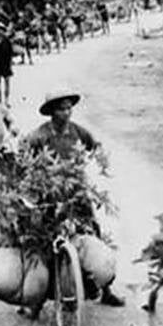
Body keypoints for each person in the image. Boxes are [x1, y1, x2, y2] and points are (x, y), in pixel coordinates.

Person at [24, 89, 125, 308]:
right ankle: (37, 300)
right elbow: (24, 159)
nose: (67, 112)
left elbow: (95, 146)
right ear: (52, 112)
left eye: (69, 107)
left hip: (75, 193)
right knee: (43, 241)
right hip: (49, 195)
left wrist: (97, 159)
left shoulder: (77, 133)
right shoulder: (39, 136)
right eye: (61, 109)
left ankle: (106, 289)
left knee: (93, 232)